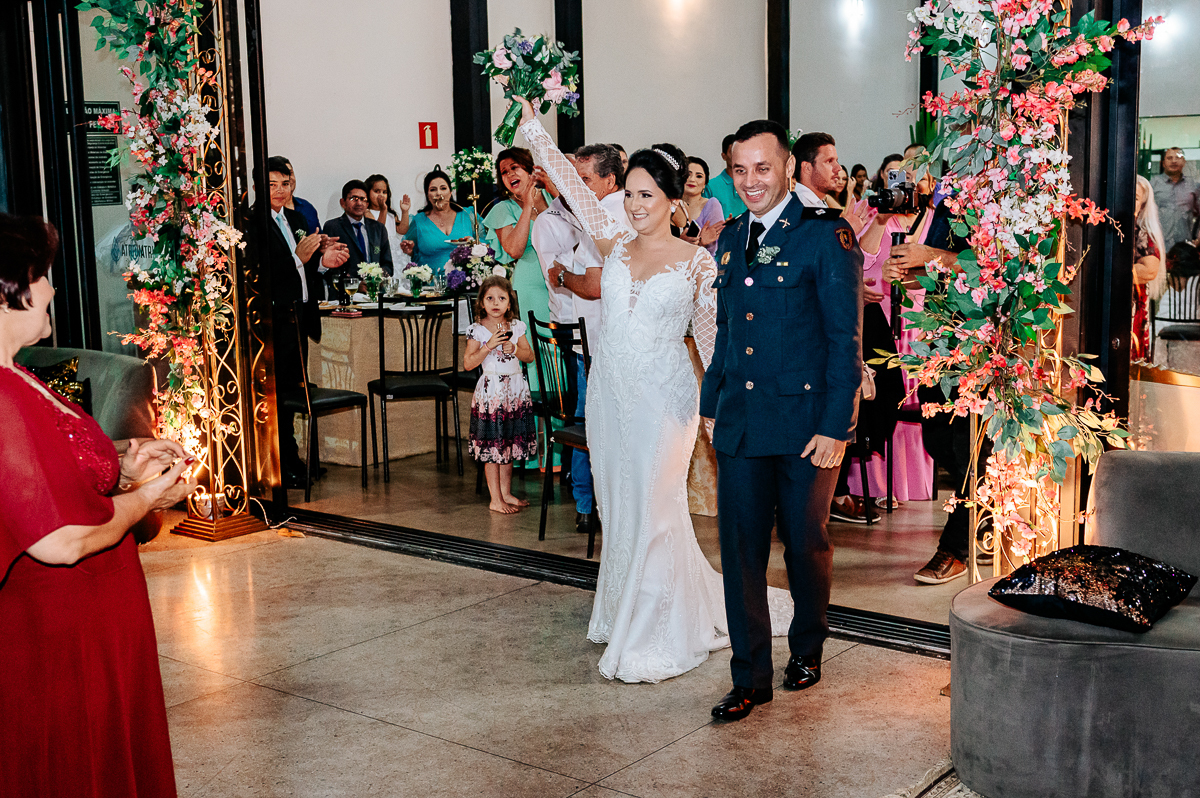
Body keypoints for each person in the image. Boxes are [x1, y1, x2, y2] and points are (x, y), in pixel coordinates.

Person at [516, 96, 794, 685]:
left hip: (666, 402)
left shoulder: (698, 265)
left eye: (648, 195)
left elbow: (716, 347)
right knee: (620, 505)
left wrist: (722, 412)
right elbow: (569, 184)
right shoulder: (613, 243)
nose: (636, 205)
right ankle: (622, 608)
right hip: (609, 395)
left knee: (655, 503)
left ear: (673, 201)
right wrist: (533, 126)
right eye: (630, 195)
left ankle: (654, 628)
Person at [0, 213, 200, 796]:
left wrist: (122, 462)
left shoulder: (19, 375)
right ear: (9, 290)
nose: (54, 289)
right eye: (44, 276)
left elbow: (39, 466)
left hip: (95, 620)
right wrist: (148, 496)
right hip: (63, 634)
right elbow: (59, 540)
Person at [700, 119, 863, 722]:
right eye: (739, 170)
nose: (750, 182)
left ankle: (809, 646)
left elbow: (843, 340)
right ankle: (750, 678)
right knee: (739, 551)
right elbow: (724, 336)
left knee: (804, 544)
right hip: (741, 420)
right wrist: (712, 407)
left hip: (804, 426)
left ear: (789, 169)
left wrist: (836, 427)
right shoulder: (729, 236)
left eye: (762, 168)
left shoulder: (825, 236)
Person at [882, 190, 979, 585]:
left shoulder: (990, 195)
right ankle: (981, 523)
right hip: (941, 337)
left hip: (980, 337)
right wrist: (908, 273)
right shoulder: (945, 200)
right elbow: (939, 271)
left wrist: (929, 256)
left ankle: (956, 548)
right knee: (937, 440)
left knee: (968, 448)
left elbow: (991, 267)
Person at [533, 141, 628, 536]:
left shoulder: (604, 214)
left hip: (603, 341)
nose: (578, 186)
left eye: (584, 179)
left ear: (609, 179)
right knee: (590, 421)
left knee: (593, 424)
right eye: (574, 178)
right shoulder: (618, 208)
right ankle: (591, 505)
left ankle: (595, 505)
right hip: (591, 338)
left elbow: (592, 286)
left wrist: (559, 275)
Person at [253, 157, 349, 487]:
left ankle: (294, 460)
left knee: (295, 394)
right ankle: (281, 466)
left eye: (284, 183)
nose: (279, 191)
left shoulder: (295, 218)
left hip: (298, 318)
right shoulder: (252, 222)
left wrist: (324, 262)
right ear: (257, 188)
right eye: (271, 185)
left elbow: (305, 266)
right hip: (272, 321)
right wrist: (299, 257)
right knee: (276, 397)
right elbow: (258, 273)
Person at [465, 276, 538, 514]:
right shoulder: (477, 330)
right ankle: (495, 499)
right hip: (492, 392)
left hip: (514, 391)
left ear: (509, 303)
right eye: (490, 298)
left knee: (508, 445)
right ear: (482, 303)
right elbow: (467, 363)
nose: (496, 303)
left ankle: (506, 493)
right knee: (492, 446)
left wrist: (515, 348)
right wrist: (488, 346)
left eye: (502, 298)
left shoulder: (516, 326)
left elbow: (529, 356)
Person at [485, 147, 553, 390]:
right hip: (530, 289)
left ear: (529, 170)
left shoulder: (552, 198)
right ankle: (534, 420)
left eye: (515, 168)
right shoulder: (504, 209)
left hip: (564, 286)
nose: (509, 174)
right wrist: (527, 206)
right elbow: (514, 249)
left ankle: (565, 421)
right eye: (504, 172)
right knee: (535, 349)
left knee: (561, 352)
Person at [401, 168, 486, 275]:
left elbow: (486, 242)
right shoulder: (419, 220)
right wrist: (410, 251)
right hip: (430, 286)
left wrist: (473, 243)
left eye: (443, 188)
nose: (438, 193)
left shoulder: (468, 215)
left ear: (450, 192)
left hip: (466, 282)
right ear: (427, 195)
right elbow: (414, 252)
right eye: (433, 190)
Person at [321, 179, 394, 299]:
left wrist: (376, 279)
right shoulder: (332, 227)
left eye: (363, 199)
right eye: (354, 199)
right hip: (345, 297)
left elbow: (388, 265)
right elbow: (330, 270)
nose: (359, 203)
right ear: (343, 202)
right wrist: (355, 284)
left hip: (375, 296)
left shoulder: (379, 228)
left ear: (367, 203)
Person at [1133, 174, 1166, 360]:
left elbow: (1149, 271)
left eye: (1136, 198)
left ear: (1143, 205)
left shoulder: (1144, 233)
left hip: (1132, 308)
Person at [671, 156, 725, 254]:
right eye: (688, 174)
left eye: (699, 176)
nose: (692, 179)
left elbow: (719, 245)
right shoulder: (671, 204)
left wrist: (702, 243)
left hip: (703, 264)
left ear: (705, 183)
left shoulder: (712, 204)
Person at [1150, 147, 1200, 254]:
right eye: (1169, 158)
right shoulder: (1152, 184)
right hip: (1157, 246)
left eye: (1178, 157)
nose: (1173, 161)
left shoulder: (1193, 186)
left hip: (1185, 248)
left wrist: (1198, 240)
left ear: (1184, 162)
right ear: (1163, 163)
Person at [365, 173, 412, 267]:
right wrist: (383, 210)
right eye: (377, 191)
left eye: (384, 192)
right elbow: (378, 231)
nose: (381, 195)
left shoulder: (390, 215)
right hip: (380, 252)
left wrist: (405, 211)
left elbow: (402, 230)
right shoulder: (367, 213)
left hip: (395, 253)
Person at [707, 133, 749, 219]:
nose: (737, 156)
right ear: (724, 156)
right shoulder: (711, 186)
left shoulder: (751, 183)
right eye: (732, 152)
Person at [280, 156, 321, 234]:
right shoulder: (272, 212)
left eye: (290, 173)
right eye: (283, 175)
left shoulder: (306, 207)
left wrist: (323, 242)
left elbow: (318, 235)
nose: (288, 179)